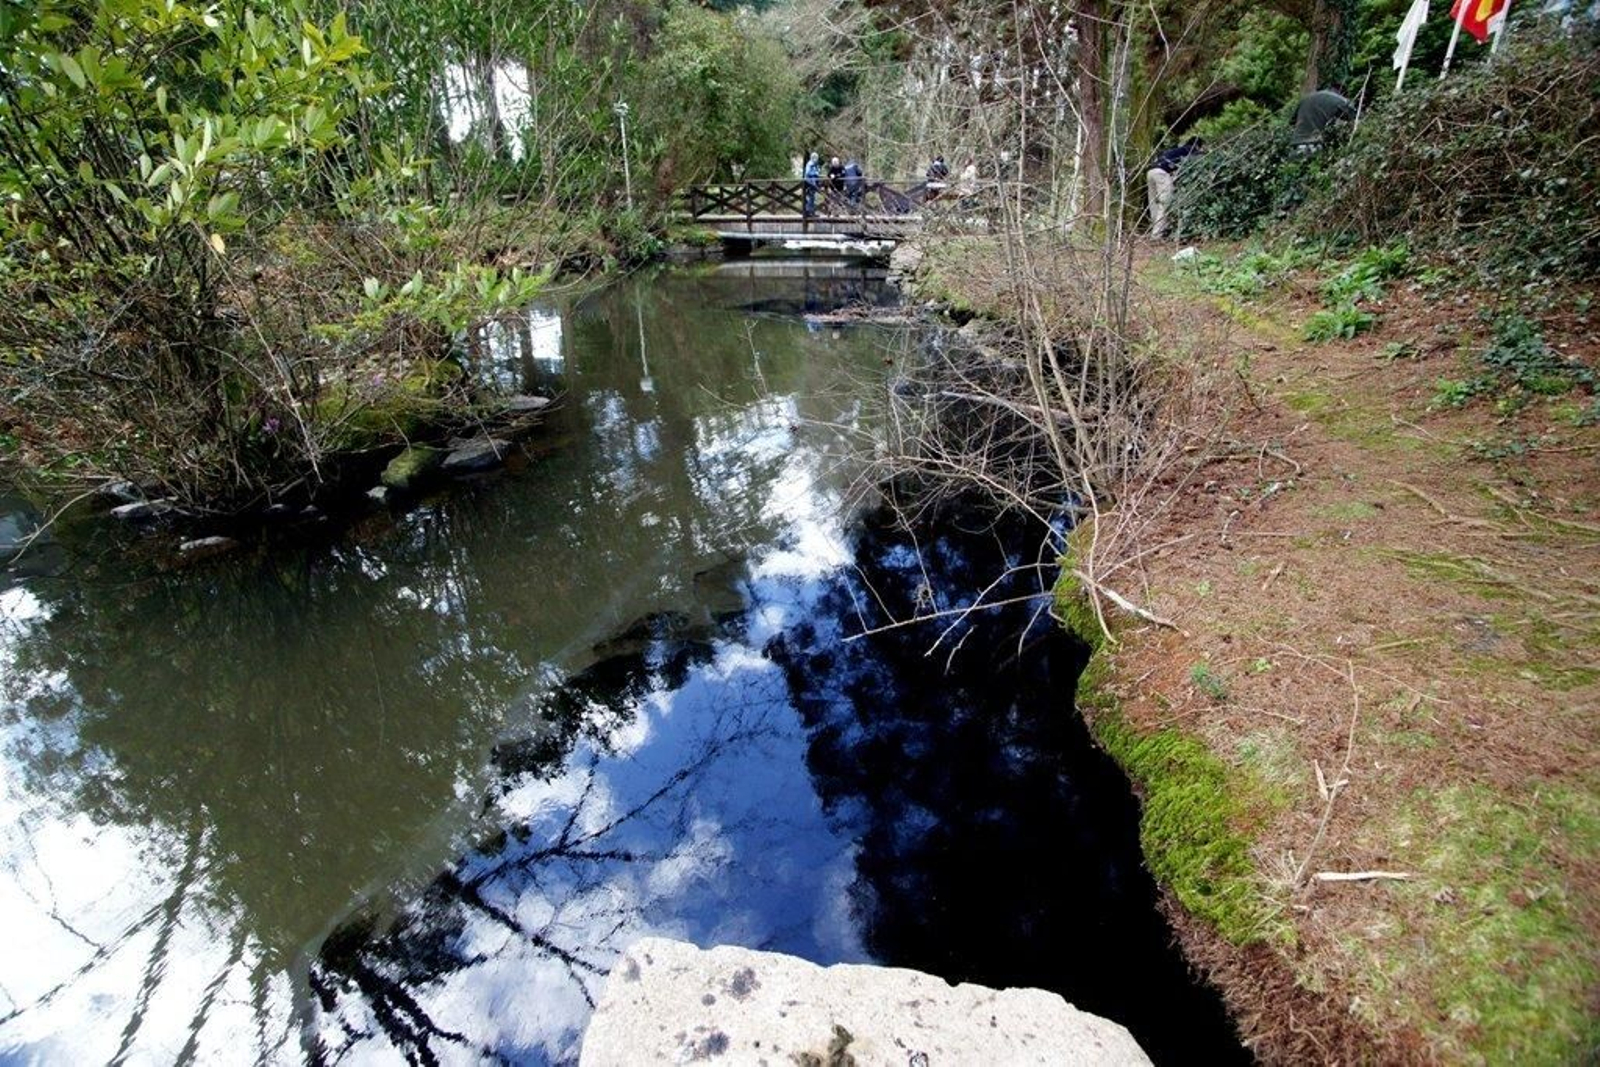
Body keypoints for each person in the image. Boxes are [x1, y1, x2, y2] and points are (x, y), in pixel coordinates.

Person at [1146, 137, 1201, 239]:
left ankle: (1154, 228)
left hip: (1151, 171)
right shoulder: (1190, 149)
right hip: (1161, 173)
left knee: (1154, 202)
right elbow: (1195, 161)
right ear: (1197, 145)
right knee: (1166, 202)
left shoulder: (1175, 150)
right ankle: (1157, 234)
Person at [1291, 89, 1356, 150]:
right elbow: (1352, 115)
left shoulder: (1306, 99)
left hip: (1297, 142)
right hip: (1316, 142)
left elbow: (1292, 122)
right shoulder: (1340, 101)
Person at [802, 151, 821, 217]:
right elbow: (807, 173)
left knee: (812, 197)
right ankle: (808, 212)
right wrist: (815, 174)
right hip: (810, 182)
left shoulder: (815, 164)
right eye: (816, 157)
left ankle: (811, 212)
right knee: (811, 197)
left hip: (814, 182)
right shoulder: (810, 164)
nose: (816, 159)